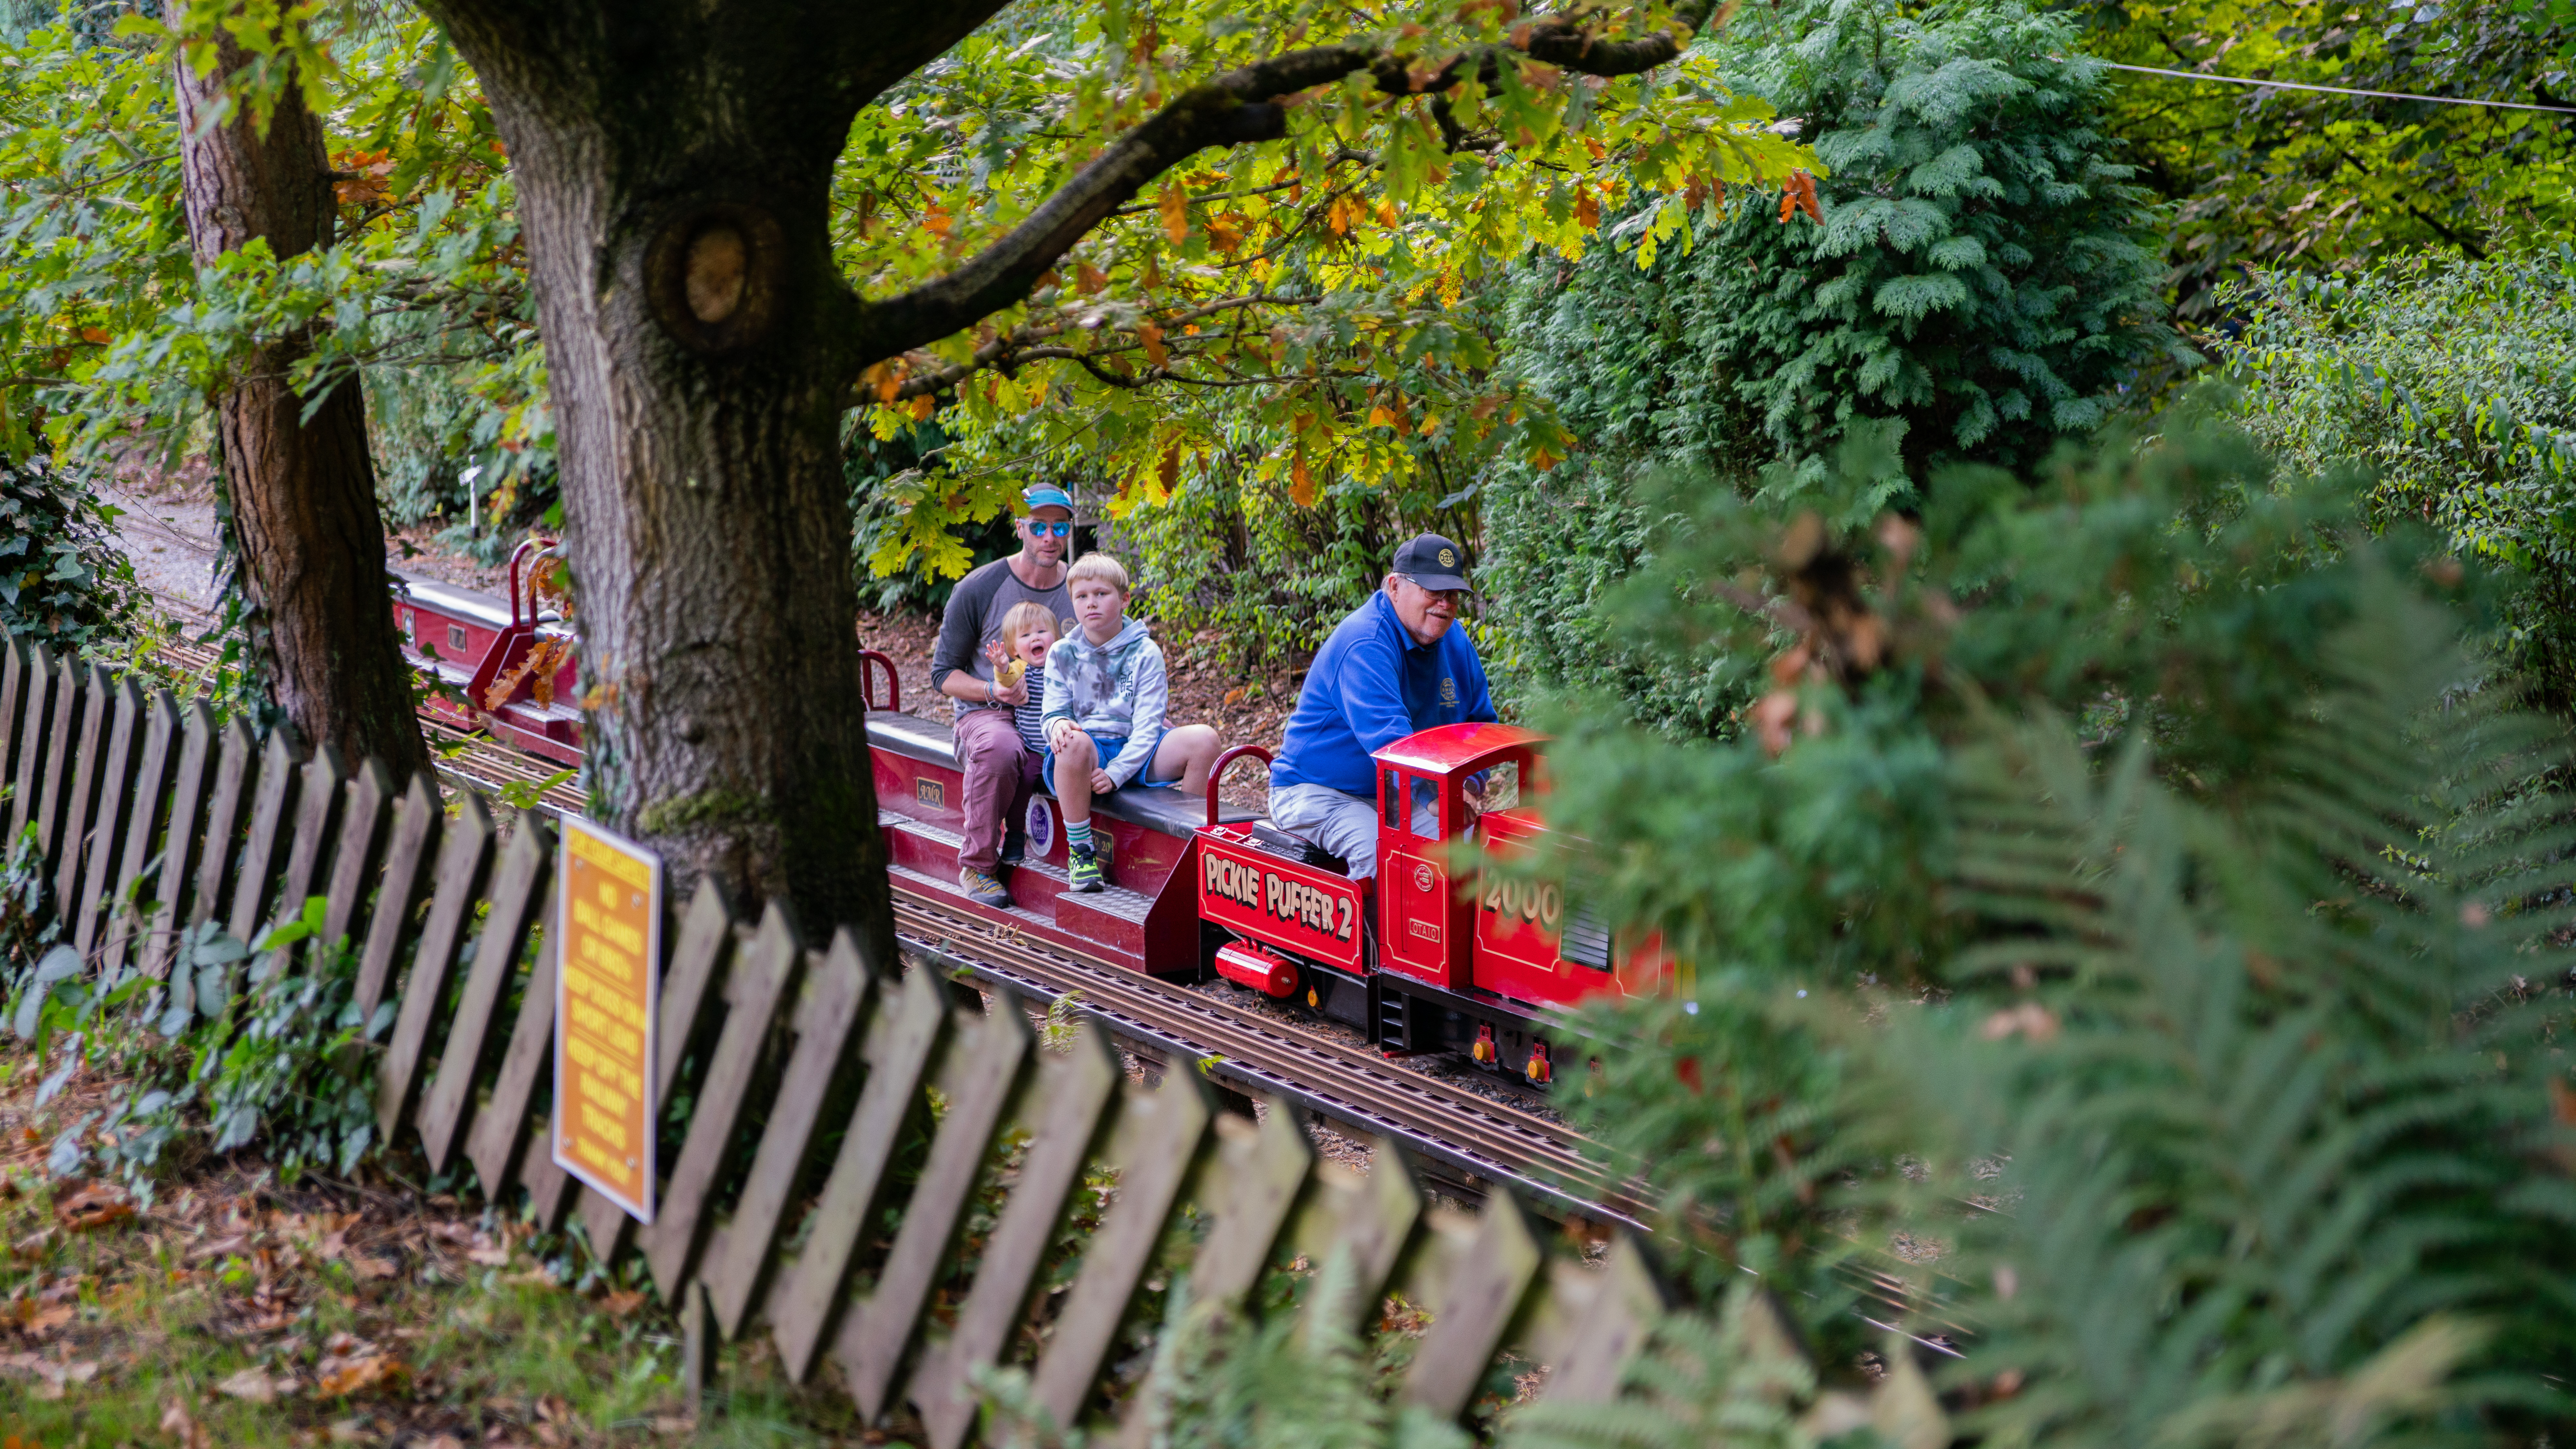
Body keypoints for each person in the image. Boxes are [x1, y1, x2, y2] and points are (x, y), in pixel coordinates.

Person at [1268, 533, 1498, 879]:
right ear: (1394, 586)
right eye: (1433, 591)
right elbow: (1389, 740)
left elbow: (1480, 726)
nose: (1446, 604)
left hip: (1397, 792)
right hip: (1317, 790)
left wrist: (1469, 785)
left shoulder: (1455, 638)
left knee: (1469, 845)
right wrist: (1434, 795)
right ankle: (1371, 936)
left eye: (1452, 595)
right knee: (1382, 853)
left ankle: (1450, 934)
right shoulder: (1365, 642)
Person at [1039, 554, 1220, 892]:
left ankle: (1186, 847)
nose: (1091, 603)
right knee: (1071, 740)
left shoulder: (1144, 652)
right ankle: (1081, 852)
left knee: (1205, 739)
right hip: (1087, 754)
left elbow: (1149, 726)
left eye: (1101, 594)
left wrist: (1118, 772)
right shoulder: (1062, 653)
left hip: (1137, 749)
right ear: (1073, 603)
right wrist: (1058, 726)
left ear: (1124, 599)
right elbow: (1052, 713)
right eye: (1082, 596)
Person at [934, 486, 1076, 908]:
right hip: (989, 714)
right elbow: (942, 674)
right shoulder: (979, 588)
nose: (1049, 537)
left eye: (1060, 526)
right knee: (1001, 747)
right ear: (1019, 528)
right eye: (1039, 527)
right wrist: (993, 691)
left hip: (1065, 708)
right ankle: (978, 866)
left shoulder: (1082, 586)